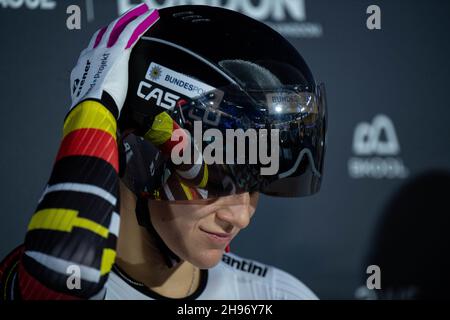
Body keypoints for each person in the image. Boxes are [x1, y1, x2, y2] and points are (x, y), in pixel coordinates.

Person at [0, 3, 326, 300]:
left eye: (256, 183)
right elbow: (61, 276)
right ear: (139, 156)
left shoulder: (280, 295)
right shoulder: (51, 281)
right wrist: (94, 110)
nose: (240, 216)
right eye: (219, 179)